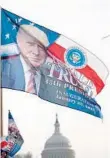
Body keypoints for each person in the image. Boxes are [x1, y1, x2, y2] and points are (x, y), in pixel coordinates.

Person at [1, 24, 49, 95]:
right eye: (31, 44)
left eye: (41, 47)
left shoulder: (52, 77)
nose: (36, 52)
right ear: (19, 43)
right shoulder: (3, 67)